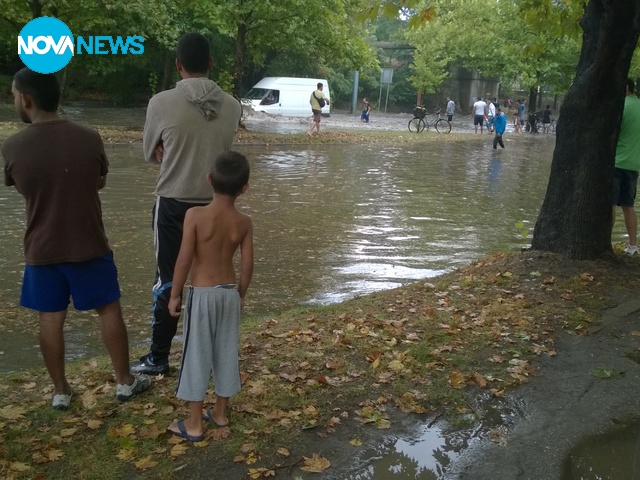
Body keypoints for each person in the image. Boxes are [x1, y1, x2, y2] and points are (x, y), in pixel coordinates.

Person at [1, 68, 151, 409]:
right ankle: (125, 382)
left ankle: (60, 391)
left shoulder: (12, 146)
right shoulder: (89, 137)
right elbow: (98, 182)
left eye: (14, 96)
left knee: (50, 318)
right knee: (108, 310)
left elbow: (22, 187)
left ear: (26, 99)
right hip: (88, 243)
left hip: (42, 249)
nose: (14, 101)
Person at [132, 33, 243, 375]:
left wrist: (167, 150)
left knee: (168, 280)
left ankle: (159, 357)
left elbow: (150, 152)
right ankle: (204, 356)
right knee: (209, 280)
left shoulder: (160, 102)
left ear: (178, 65)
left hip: (173, 202)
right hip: (216, 203)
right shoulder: (233, 105)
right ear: (210, 63)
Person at [166, 151, 253, 442]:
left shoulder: (195, 215)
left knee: (196, 353)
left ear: (209, 179)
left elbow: (183, 259)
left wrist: (174, 294)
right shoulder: (243, 222)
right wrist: (240, 293)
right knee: (226, 351)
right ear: (244, 188)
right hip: (228, 294)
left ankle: (193, 422)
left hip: (202, 295)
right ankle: (219, 413)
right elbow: (248, 264)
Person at [612, 78, 640, 255]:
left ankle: (604, 242)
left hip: (616, 162)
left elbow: (613, 131)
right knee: (628, 206)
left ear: (625, 87)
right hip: (633, 164)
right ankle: (633, 246)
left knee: (609, 204)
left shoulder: (620, 106)